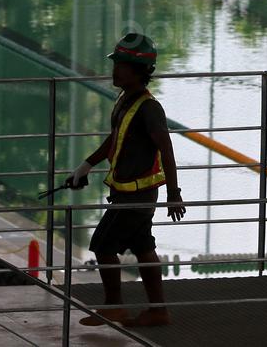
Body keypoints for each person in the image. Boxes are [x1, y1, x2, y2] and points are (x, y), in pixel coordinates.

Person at [67, 33, 186, 328]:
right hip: (128, 194)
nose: (115, 69)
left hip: (137, 196)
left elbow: (166, 148)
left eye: (121, 64)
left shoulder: (149, 108)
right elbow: (115, 139)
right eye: (116, 63)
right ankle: (158, 311)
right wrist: (86, 166)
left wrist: (174, 192)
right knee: (143, 245)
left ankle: (114, 307)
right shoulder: (125, 100)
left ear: (138, 70)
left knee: (102, 244)